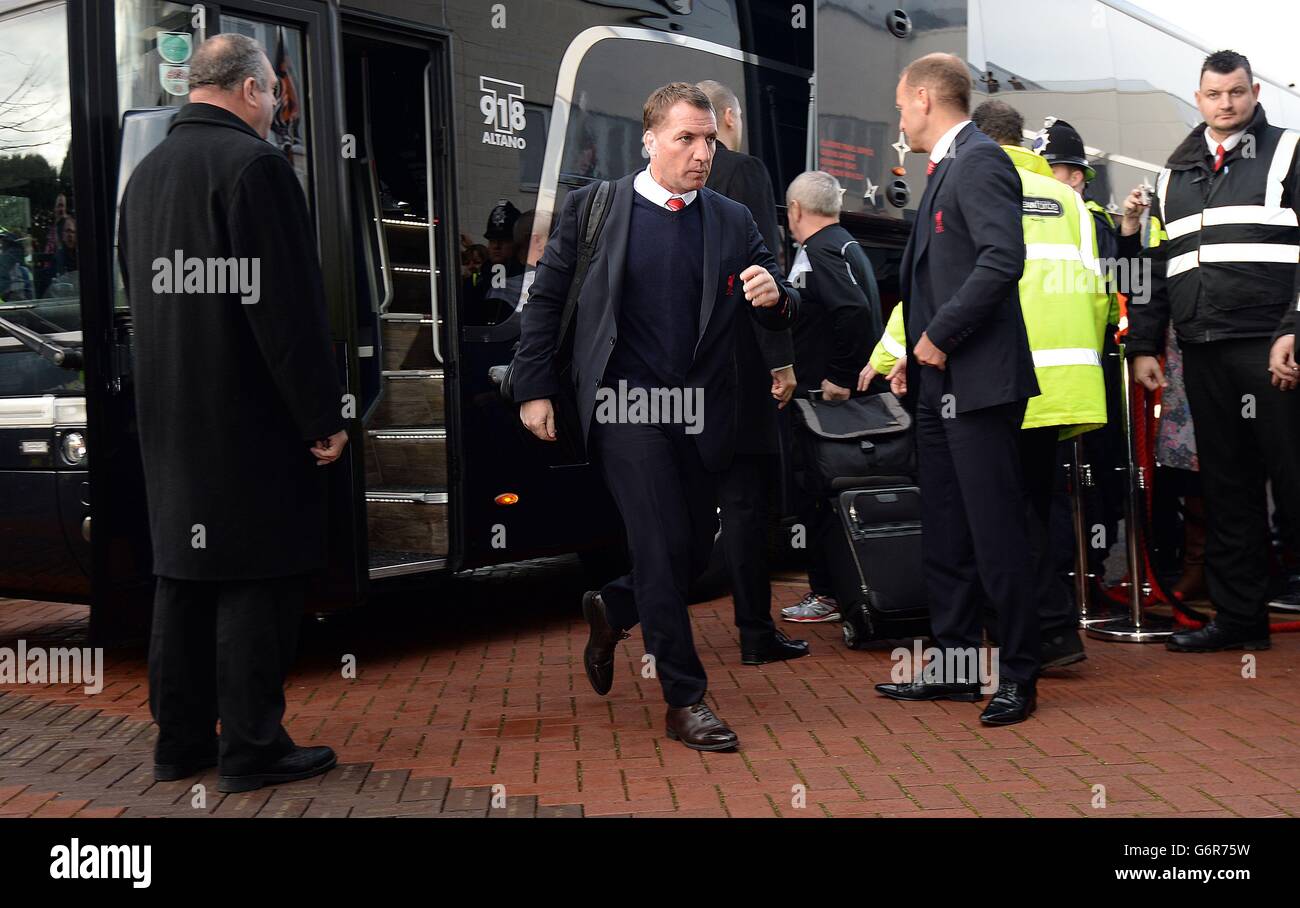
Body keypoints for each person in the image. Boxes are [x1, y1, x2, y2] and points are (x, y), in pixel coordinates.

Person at [512, 82, 798, 751]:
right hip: (625, 406)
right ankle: (685, 697)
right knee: (660, 541)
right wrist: (535, 388)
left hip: (703, 410)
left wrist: (774, 296)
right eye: (686, 139)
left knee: (698, 548)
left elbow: (782, 305)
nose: (701, 153)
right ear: (650, 140)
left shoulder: (731, 219)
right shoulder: (594, 210)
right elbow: (546, 304)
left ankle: (614, 607)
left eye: (709, 141)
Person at [118, 33, 348, 793]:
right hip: (248, 420)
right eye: (275, 95)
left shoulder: (144, 177)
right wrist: (320, 414)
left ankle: (179, 742)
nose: (277, 110)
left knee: (183, 579)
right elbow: (284, 313)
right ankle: (254, 746)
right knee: (259, 580)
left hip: (170, 418)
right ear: (251, 89)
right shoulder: (257, 168)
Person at [872, 54, 1041, 725]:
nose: (897, 118)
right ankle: (956, 667)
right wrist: (918, 357)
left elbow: (1005, 258)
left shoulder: (980, 161)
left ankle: (1019, 677)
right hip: (940, 381)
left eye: (899, 104)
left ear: (923, 98)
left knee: (994, 534)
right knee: (945, 530)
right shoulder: (947, 168)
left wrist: (938, 336)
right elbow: (941, 275)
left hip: (980, 384)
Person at [1128, 50, 1300, 652]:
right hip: (1201, 348)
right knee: (1228, 490)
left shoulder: (1288, 151)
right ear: (1197, 98)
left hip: (1271, 347)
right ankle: (1239, 621)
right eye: (1213, 95)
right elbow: (1155, 262)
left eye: (1236, 93)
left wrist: (1294, 326)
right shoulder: (1173, 173)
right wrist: (1145, 344)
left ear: (1254, 91)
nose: (1225, 105)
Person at [972, 101, 1113, 668]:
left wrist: (890, 354)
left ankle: (1043, 631)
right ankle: (1047, 630)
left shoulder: (977, 185)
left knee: (1003, 511)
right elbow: (1100, 292)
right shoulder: (1069, 201)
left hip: (1002, 378)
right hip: (1065, 380)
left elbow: (952, 283)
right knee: (1039, 502)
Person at [697, 79, 808, 664]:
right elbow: (766, 275)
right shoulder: (746, 170)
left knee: (688, 511)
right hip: (740, 369)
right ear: (731, 118)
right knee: (747, 506)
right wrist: (781, 360)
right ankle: (755, 634)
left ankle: (622, 603)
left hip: (681, 379)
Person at [779, 170, 882, 625]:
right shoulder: (848, 245)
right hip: (837, 395)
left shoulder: (819, 250)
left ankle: (827, 593)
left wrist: (838, 374)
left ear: (796, 211)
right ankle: (846, 588)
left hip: (825, 399)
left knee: (819, 494)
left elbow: (852, 311)